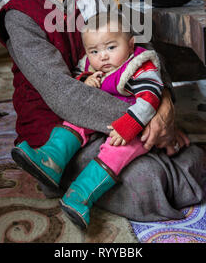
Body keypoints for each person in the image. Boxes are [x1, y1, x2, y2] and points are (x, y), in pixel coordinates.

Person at [0, 0, 204, 223]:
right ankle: (52, 167)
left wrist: (163, 105)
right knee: (148, 177)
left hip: (118, 110)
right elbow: (62, 94)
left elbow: (139, 50)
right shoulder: (20, 16)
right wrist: (147, 125)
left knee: (192, 155)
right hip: (60, 128)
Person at [51, 11, 164, 229]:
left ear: (130, 45)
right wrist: (86, 79)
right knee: (76, 117)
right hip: (101, 117)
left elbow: (151, 97)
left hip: (131, 125)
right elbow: (76, 76)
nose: (102, 56)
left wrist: (129, 125)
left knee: (118, 150)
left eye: (111, 48)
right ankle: (50, 158)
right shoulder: (93, 67)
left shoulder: (139, 66)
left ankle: (79, 195)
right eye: (94, 51)